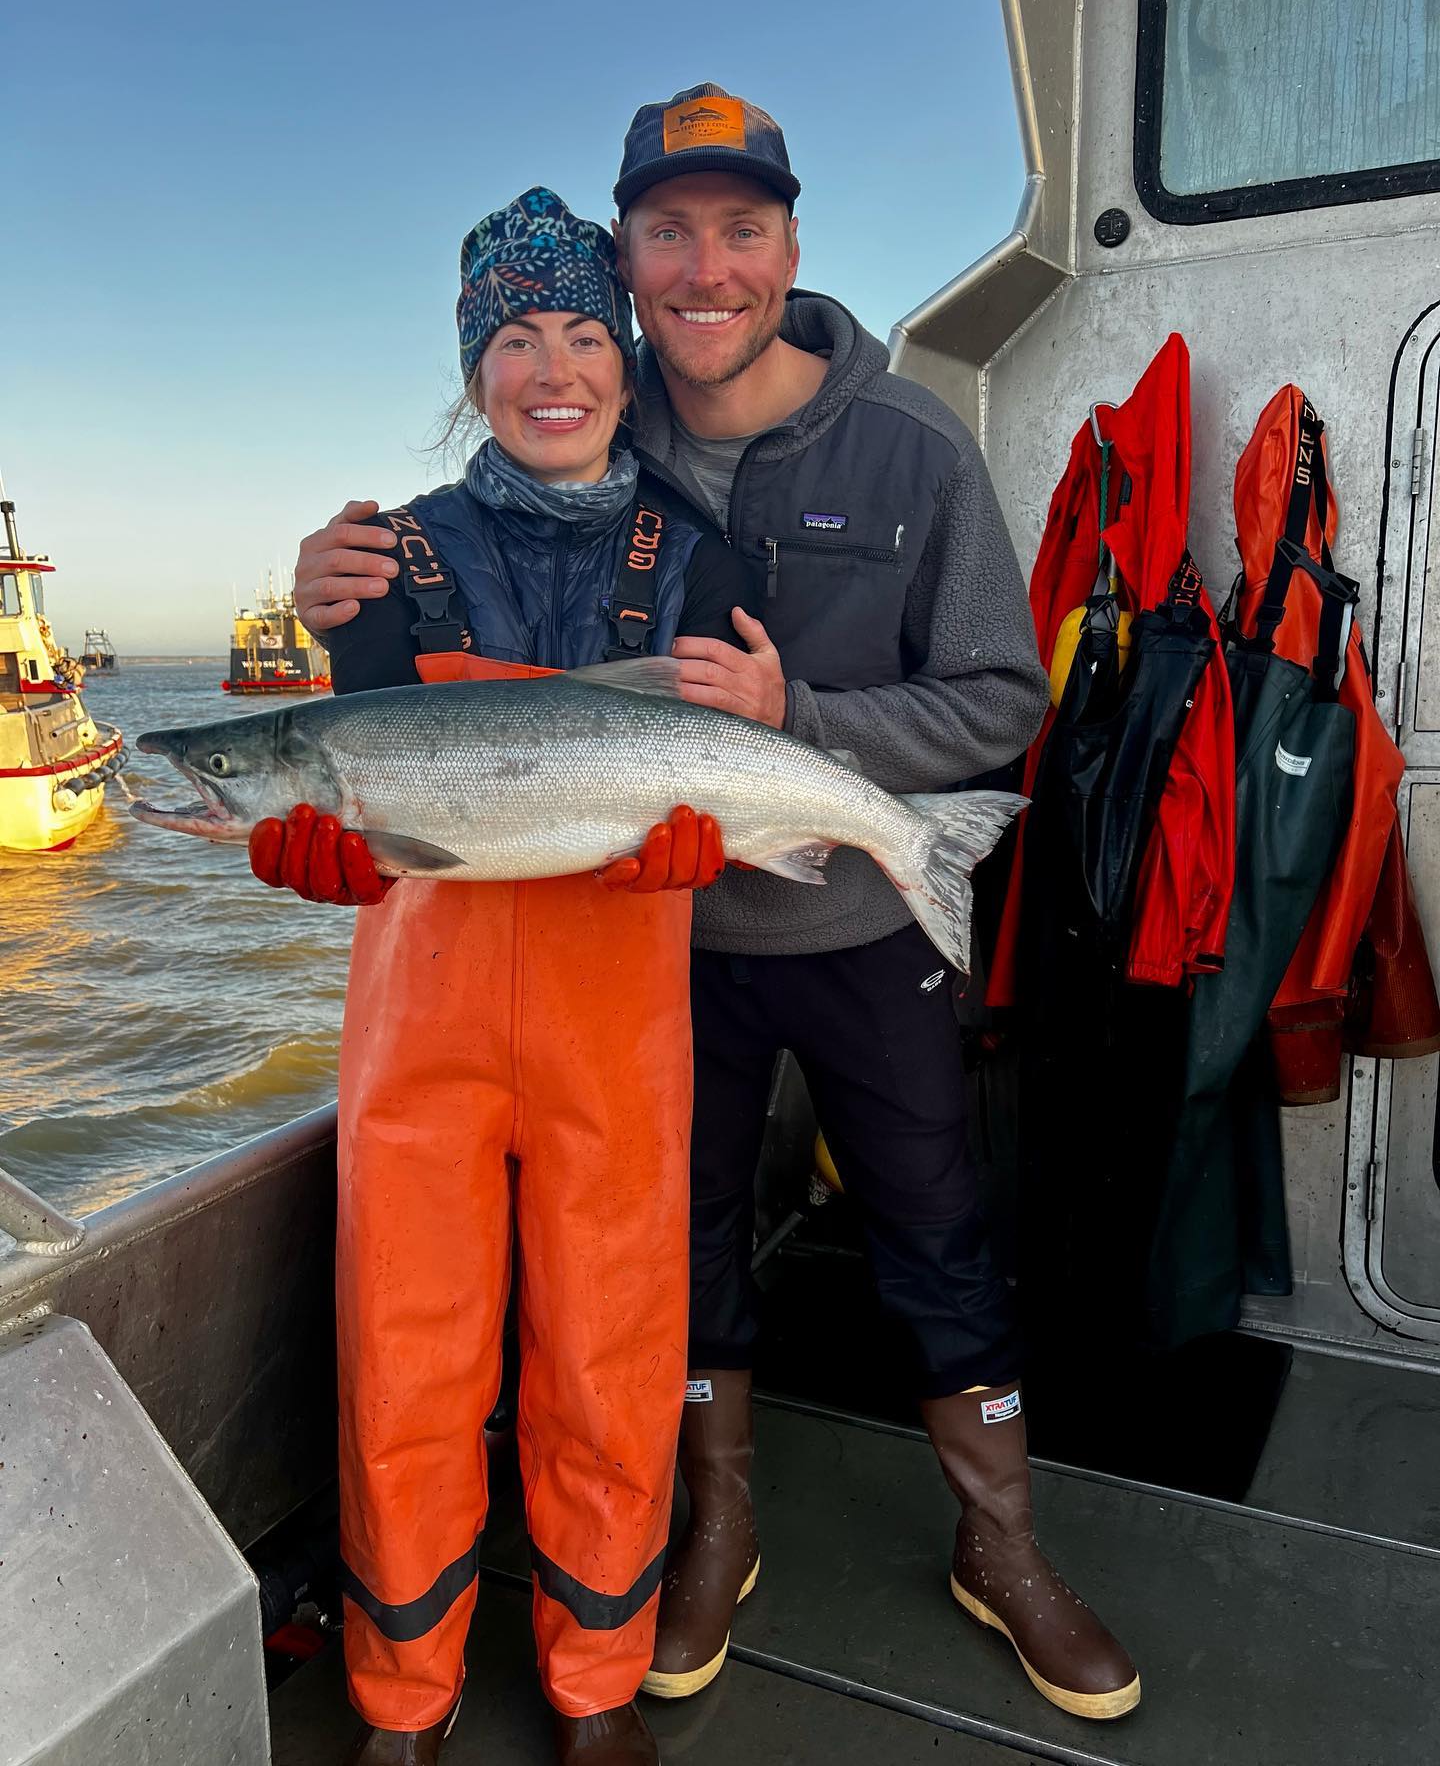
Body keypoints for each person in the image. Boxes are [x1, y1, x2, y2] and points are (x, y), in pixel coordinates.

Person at [285, 87, 1141, 1724]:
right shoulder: (597, 448)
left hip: (838, 917)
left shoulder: (907, 449)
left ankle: (1002, 1542)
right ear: (628, 270)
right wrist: (336, 609)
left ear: (790, 247)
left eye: (739, 230)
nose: (701, 272)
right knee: (680, 1270)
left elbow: (999, 698)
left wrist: (797, 734)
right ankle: (714, 1526)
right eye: (665, 237)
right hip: (661, 961)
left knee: (939, 1236)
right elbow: (452, 687)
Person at [253, 186, 755, 1766]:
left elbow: (746, 747)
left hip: (623, 1013)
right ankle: (404, 1694)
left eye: (583, 332)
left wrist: (721, 820)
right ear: (473, 368)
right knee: (406, 1350)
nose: (555, 367)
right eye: (514, 337)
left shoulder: (702, 546)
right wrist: (312, 841)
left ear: (625, 357)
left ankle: (597, 1682)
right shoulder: (380, 564)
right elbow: (355, 776)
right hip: (428, 1021)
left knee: (613, 1352)